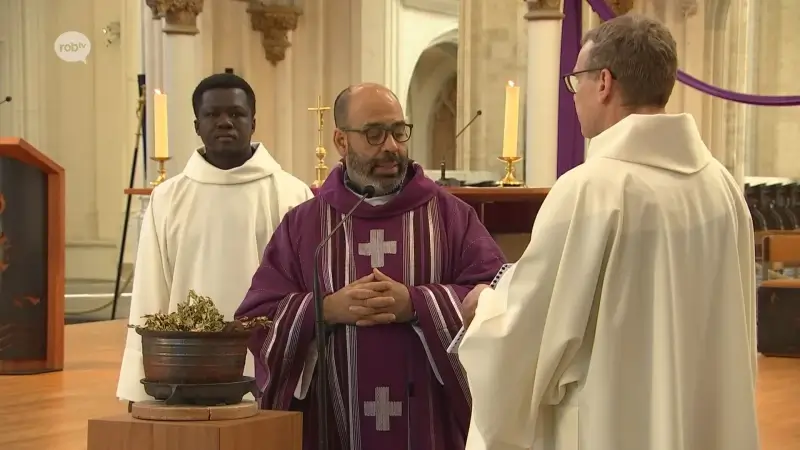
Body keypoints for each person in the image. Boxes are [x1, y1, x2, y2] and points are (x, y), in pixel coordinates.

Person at [458, 15, 759, 450]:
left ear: (603, 82)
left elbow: (529, 331)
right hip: (699, 424)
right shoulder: (721, 186)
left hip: (609, 427)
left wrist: (484, 308)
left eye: (575, 80)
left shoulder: (591, 189)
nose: (574, 95)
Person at [235, 83, 507, 450]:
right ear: (341, 142)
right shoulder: (306, 224)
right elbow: (256, 318)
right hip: (331, 424)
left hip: (428, 426)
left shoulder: (450, 217)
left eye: (398, 131)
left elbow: (498, 300)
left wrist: (416, 304)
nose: (391, 146)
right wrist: (325, 309)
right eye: (374, 134)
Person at [116, 73, 314, 403]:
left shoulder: (292, 195)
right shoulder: (168, 197)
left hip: (271, 360)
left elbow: (306, 290)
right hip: (184, 365)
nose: (224, 122)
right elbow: (152, 290)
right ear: (197, 125)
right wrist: (145, 376)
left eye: (236, 114)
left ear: (253, 122)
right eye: (212, 115)